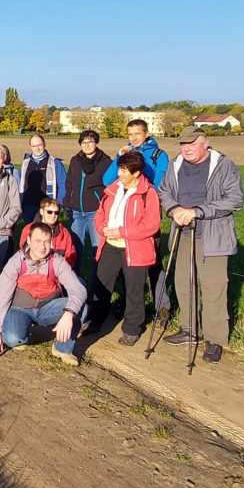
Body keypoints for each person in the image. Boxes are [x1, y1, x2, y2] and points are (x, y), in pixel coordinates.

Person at [158, 126, 244, 364]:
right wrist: (174, 209)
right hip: (183, 234)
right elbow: (164, 191)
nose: (186, 149)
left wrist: (198, 212)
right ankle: (189, 330)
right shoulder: (175, 165)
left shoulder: (224, 166)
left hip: (213, 236)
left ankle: (214, 339)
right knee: (184, 283)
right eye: (183, 145)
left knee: (213, 287)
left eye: (191, 144)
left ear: (204, 143)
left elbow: (235, 200)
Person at [0, 222, 88, 366]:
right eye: (38, 241)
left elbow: (78, 289)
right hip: (20, 308)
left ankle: (62, 348)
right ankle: (21, 330)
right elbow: (2, 297)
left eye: (47, 242)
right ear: (28, 240)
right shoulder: (16, 262)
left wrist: (68, 313)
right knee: (12, 338)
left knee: (81, 306)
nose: (42, 247)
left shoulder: (57, 261)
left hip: (48, 307)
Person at [104, 118, 174, 320]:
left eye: (137, 134)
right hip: (125, 218)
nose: (134, 138)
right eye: (130, 134)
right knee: (129, 263)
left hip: (146, 215)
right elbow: (108, 180)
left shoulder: (159, 155)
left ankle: (162, 305)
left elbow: (158, 182)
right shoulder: (126, 154)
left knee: (152, 262)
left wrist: (138, 160)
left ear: (146, 133)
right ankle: (129, 305)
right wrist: (119, 157)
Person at [89, 151, 161, 342]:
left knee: (134, 289)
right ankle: (96, 320)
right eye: (119, 169)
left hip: (135, 248)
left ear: (136, 172)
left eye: (124, 170)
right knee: (102, 285)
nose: (119, 174)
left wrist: (123, 232)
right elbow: (100, 213)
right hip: (110, 245)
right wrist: (101, 227)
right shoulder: (113, 188)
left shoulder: (149, 193)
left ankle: (132, 328)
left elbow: (151, 225)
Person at [64, 129, 112, 291]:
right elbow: (69, 182)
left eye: (90, 142)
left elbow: (109, 186)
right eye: (84, 142)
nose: (87, 145)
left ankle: (97, 286)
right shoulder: (75, 161)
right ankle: (72, 283)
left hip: (95, 212)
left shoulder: (105, 162)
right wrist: (67, 202)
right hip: (76, 211)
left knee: (97, 250)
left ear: (96, 143)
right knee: (73, 250)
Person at [19, 134, 67, 224]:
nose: (37, 148)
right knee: (31, 233)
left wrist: (59, 203)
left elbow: (63, 184)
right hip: (28, 206)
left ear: (44, 144)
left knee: (47, 234)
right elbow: (21, 183)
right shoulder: (25, 162)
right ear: (30, 147)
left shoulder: (54, 162)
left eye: (39, 145)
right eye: (34, 146)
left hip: (48, 207)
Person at [19, 198, 77, 267]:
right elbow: (24, 253)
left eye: (56, 213)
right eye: (49, 212)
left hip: (58, 271)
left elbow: (70, 256)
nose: (53, 215)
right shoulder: (29, 229)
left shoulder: (64, 233)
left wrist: (61, 270)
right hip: (33, 269)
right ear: (41, 212)